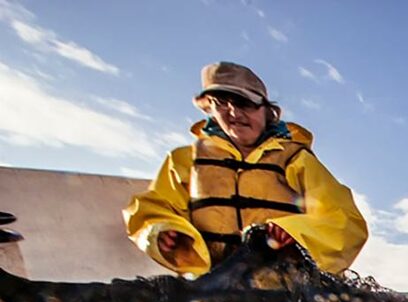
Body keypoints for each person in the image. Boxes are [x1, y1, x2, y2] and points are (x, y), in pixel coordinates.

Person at [124, 62, 367, 277]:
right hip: (209, 289)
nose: (233, 113)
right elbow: (150, 212)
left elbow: (345, 221)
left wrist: (295, 233)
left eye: (244, 103)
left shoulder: (296, 159)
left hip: (284, 291)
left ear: (267, 110)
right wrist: (161, 232)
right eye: (221, 103)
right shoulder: (184, 160)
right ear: (209, 109)